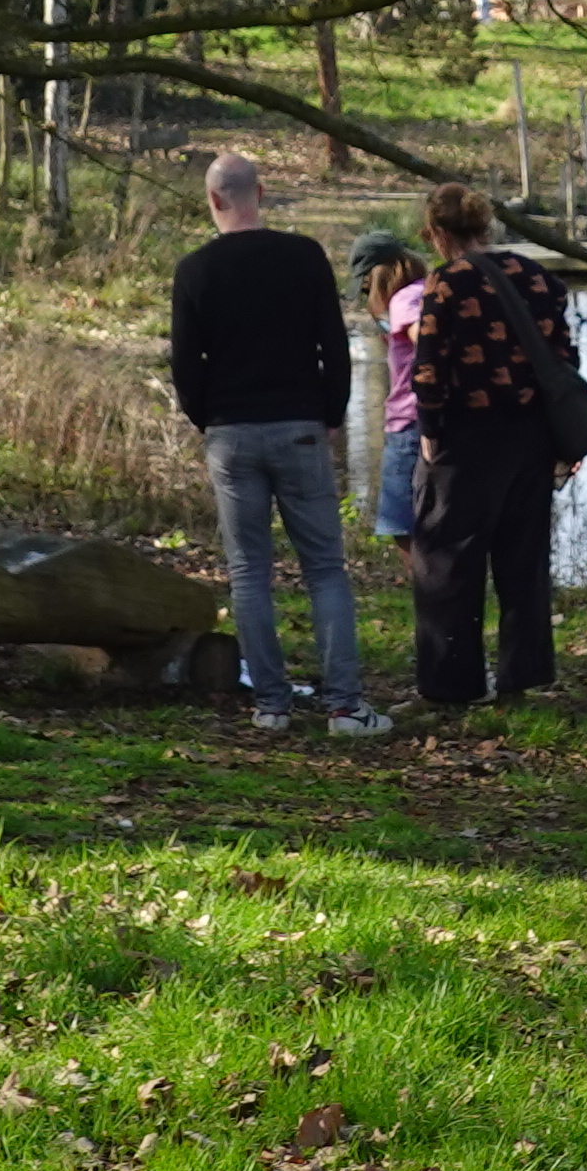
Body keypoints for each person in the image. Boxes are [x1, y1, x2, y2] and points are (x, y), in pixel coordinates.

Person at [168, 152, 390, 736]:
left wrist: (209, 420)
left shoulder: (194, 271)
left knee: (248, 573)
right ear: (259, 194)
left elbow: (186, 366)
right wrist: (332, 413)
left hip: (231, 433)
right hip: (298, 425)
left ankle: (271, 704)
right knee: (324, 567)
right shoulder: (304, 256)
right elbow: (332, 345)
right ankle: (344, 706)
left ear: (213, 200)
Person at [403, 181, 582, 708]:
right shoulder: (538, 277)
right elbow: (563, 358)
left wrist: (431, 433)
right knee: (522, 561)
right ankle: (521, 678)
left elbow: (429, 369)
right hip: (530, 434)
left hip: (467, 436)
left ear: (437, 232)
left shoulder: (445, 286)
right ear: (484, 226)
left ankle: (449, 685)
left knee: (445, 560)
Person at [350, 231, 431, 543]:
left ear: (380, 274)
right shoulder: (427, 289)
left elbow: (428, 345)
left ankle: (427, 589)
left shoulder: (404, 299)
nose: (368, 294)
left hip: (410, 423)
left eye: (367, 284)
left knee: (402, 526)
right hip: (428, 419)